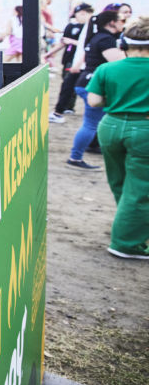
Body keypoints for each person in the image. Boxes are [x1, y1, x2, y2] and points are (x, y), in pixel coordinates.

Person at [86, 15, 149, 259]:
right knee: (141, 188)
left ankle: (131, 229)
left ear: (123, 43)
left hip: (110, 126)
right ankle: (126, 243)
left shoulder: (106, 69)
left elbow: (94, 101)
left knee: (120, 182)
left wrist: (120, 99)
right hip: (144, 130)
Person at [67, 9, 127, 170]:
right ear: (112, 22)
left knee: (93, 123)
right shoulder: (105, 39)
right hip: (93, 86)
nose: (124, 23)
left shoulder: (98, 37)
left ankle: (80, 154)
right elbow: (120, 63)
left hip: (87, 83)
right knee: (91, 124)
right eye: (122, 20)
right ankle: (75, 158)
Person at [49, 3, 94, 124]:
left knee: (79, 87)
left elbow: (89, 46)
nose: (76, 17)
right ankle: (60, 111)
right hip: (73, 61)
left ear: (84, 13)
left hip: (84, 65)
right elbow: (64, 42)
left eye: (78, 14)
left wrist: (78, 64)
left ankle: (65, 109)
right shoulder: (74, 26)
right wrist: (49, 53)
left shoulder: (93, 26)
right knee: (67, 85)